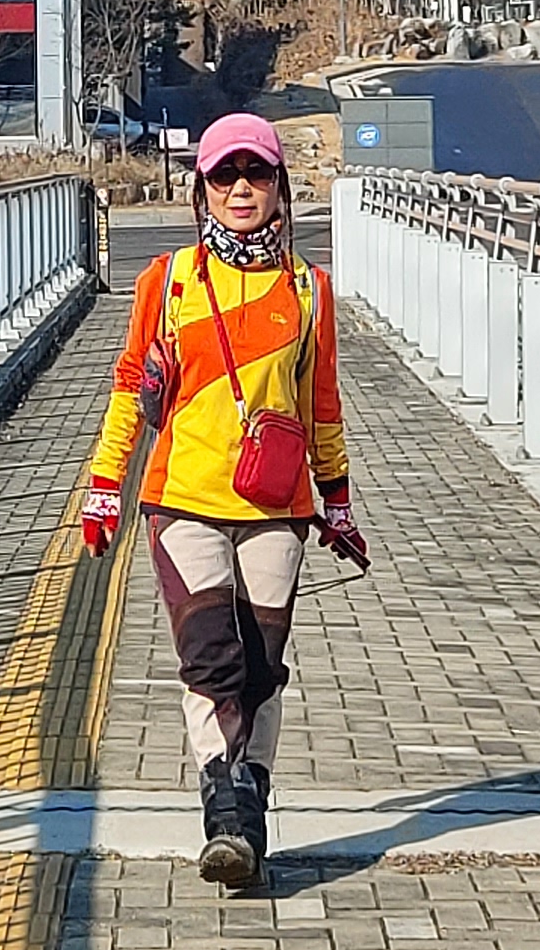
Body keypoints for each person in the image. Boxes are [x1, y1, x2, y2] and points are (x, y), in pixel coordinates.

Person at [77, 112, 369, 891]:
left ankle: (251, 804)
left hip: (276, 505)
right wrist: (104, 486)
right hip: (182, 497)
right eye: (224, 175)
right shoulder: (167, 281)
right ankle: (225, 815)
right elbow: (128, 389)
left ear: (280, 186)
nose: (241, 189)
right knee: (210, 659)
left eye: (257, 173)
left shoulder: (308, 290)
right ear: (201, 189)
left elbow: (322, 405)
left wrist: (337, 501)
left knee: (261, 668)